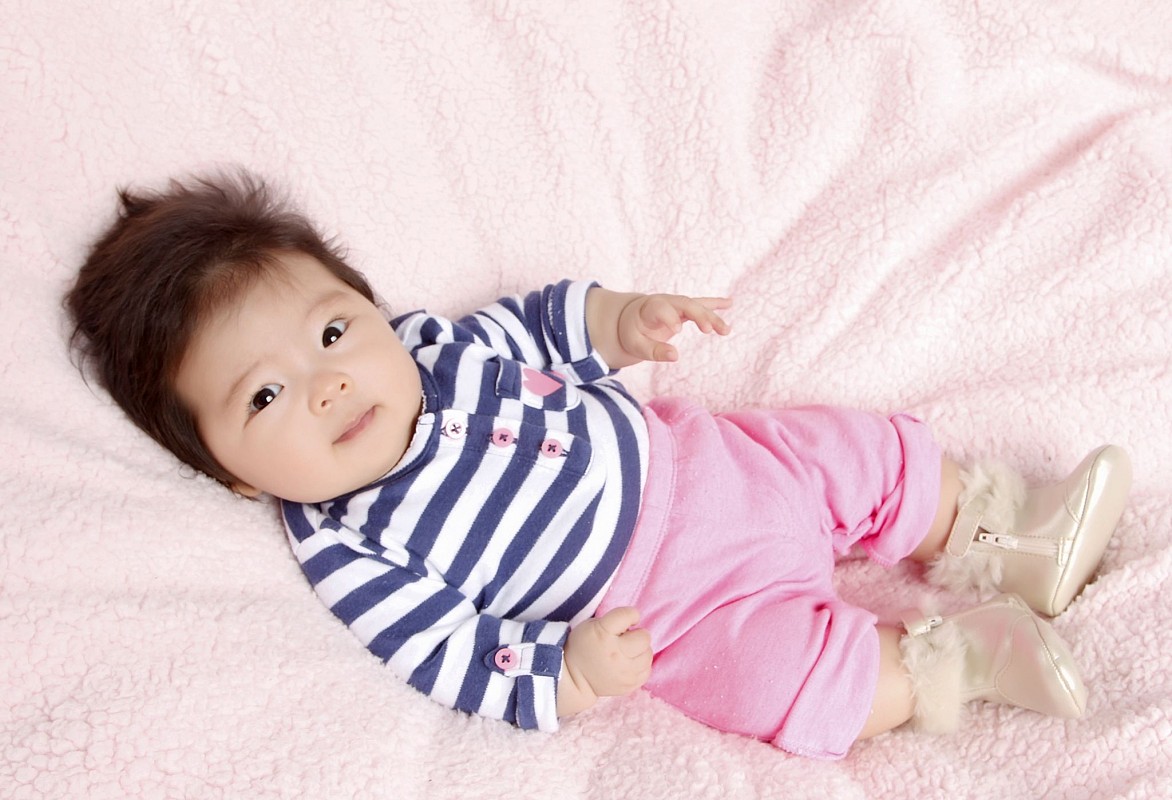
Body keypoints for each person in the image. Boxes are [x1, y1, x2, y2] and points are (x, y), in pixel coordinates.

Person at [66, 170, 1132, 759]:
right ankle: (961, 659)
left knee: (851, 452)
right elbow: (449, 651)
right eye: (263, 397)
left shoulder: (437, 351)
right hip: (674, 611)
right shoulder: (347, 544)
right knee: (789, 683)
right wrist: (567, 672)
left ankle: (1010, 535)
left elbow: (540, 328)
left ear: (370, 308)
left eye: (334, 332)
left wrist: (622, 321)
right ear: (237, 475)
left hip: (716, 465)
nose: (328, 384)